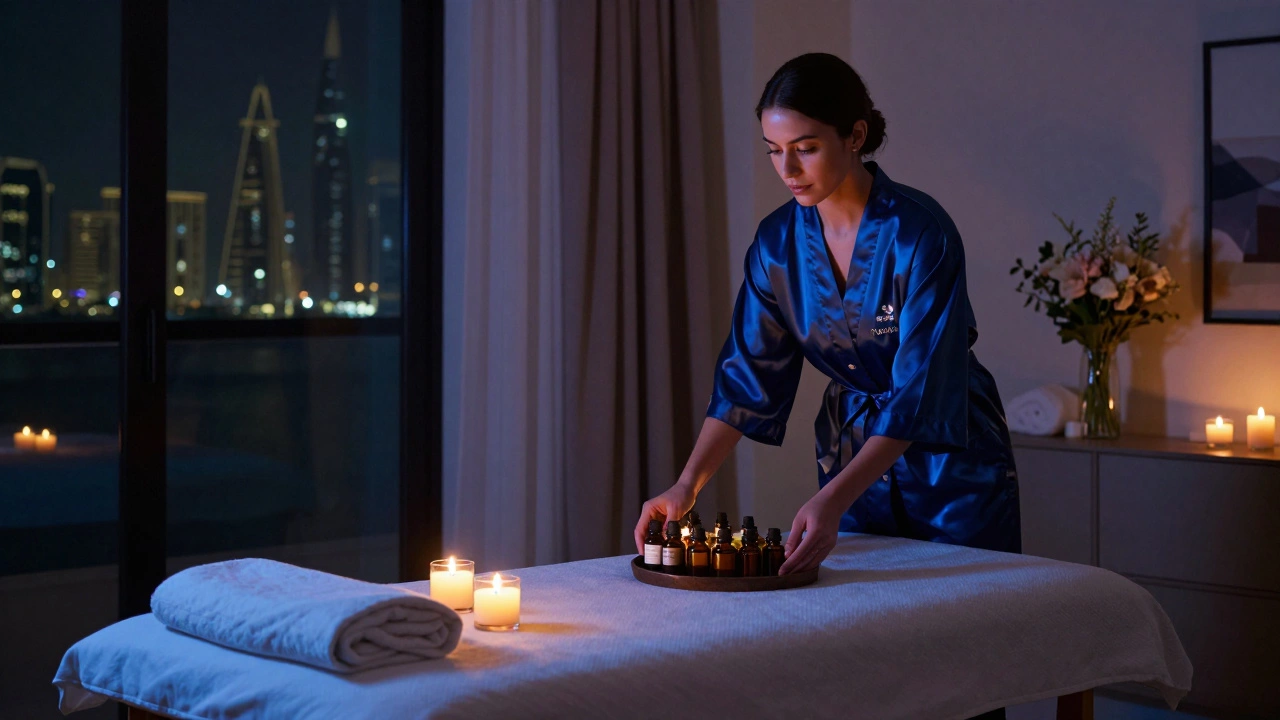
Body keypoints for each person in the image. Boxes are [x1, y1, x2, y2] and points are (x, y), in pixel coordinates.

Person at [633, 51, 1021, 579]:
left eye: (806, 149)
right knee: (861, 619)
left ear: (855, 136)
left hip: (951, 462)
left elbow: (917, 394)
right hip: (851, 452)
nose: (787, 170)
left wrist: (833, 500)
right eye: (774, 151)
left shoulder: (920, 233)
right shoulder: (776, 245)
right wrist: (687, 485)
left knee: (970, 617)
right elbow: (747, 378)